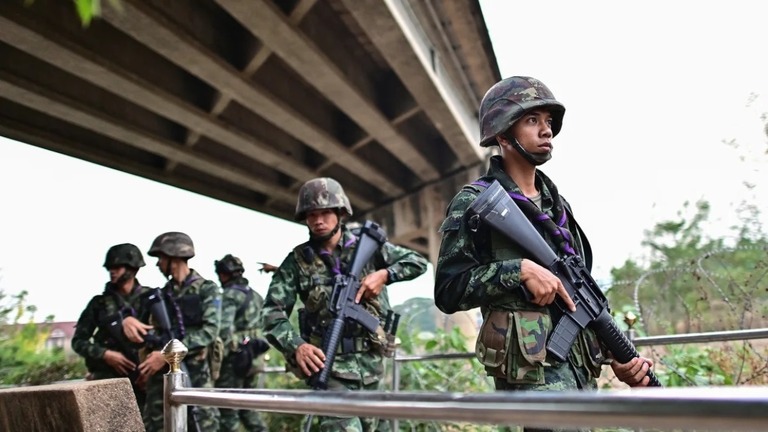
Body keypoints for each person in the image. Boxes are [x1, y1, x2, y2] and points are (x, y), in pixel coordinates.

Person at [433, 76, 654, 432]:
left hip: (579, 370)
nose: (546, 130)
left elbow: (582, 292)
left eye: (548, 122)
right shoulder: (475, 203)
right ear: (503, 135)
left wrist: (620, 356)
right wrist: (517, 270)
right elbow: (448, 290)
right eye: (532, 121)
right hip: (531, 373)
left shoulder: (556, 206)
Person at [262, 177, 429, 432]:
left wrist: (385, 275)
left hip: (373, 367)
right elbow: (271, 312)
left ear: (340, 213)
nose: (318, 220)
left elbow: (417, 261)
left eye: (325, 212)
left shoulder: (368, 247)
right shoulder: (296, 262)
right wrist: (297, 346)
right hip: (330, 370)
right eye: (311, 214)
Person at [121, 231, 224, 432]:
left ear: (174, 257)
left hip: (197, 377)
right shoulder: (160, 295)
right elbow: (140, 322)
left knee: (202, 426)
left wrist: (166, 355)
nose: (158, 264)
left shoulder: (207, 289)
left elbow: (209, 332)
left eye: (161, 258)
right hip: (162, 382)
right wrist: (128, 319)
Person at [71, 243, 150, 412]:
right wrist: (105, 354)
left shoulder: (151, 299)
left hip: (146, 382)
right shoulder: (98, 304)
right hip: (108, 382)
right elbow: (78, 342)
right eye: (110, 268)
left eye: (117, 267)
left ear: (132, 268)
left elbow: (167, 337)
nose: (112, 271)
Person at [214, 254, 269, 432]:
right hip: (255, 358)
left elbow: (223, 330)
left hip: (235, 360)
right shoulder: (256, 295)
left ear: (224, 274)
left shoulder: (229, 296)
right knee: (249, 408)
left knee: (227, 408)